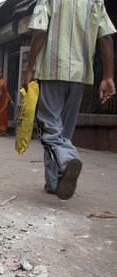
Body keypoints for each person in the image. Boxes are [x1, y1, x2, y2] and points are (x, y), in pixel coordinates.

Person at [23, 0, 116, 200]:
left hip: (51, 70)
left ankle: (68, 158)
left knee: (49, 130)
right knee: (63, 131)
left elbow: (39, 32)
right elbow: (106, 39)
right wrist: (108, 77)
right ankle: (53, 182)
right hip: (79, 75)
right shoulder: (95, 2)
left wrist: (29, 69)